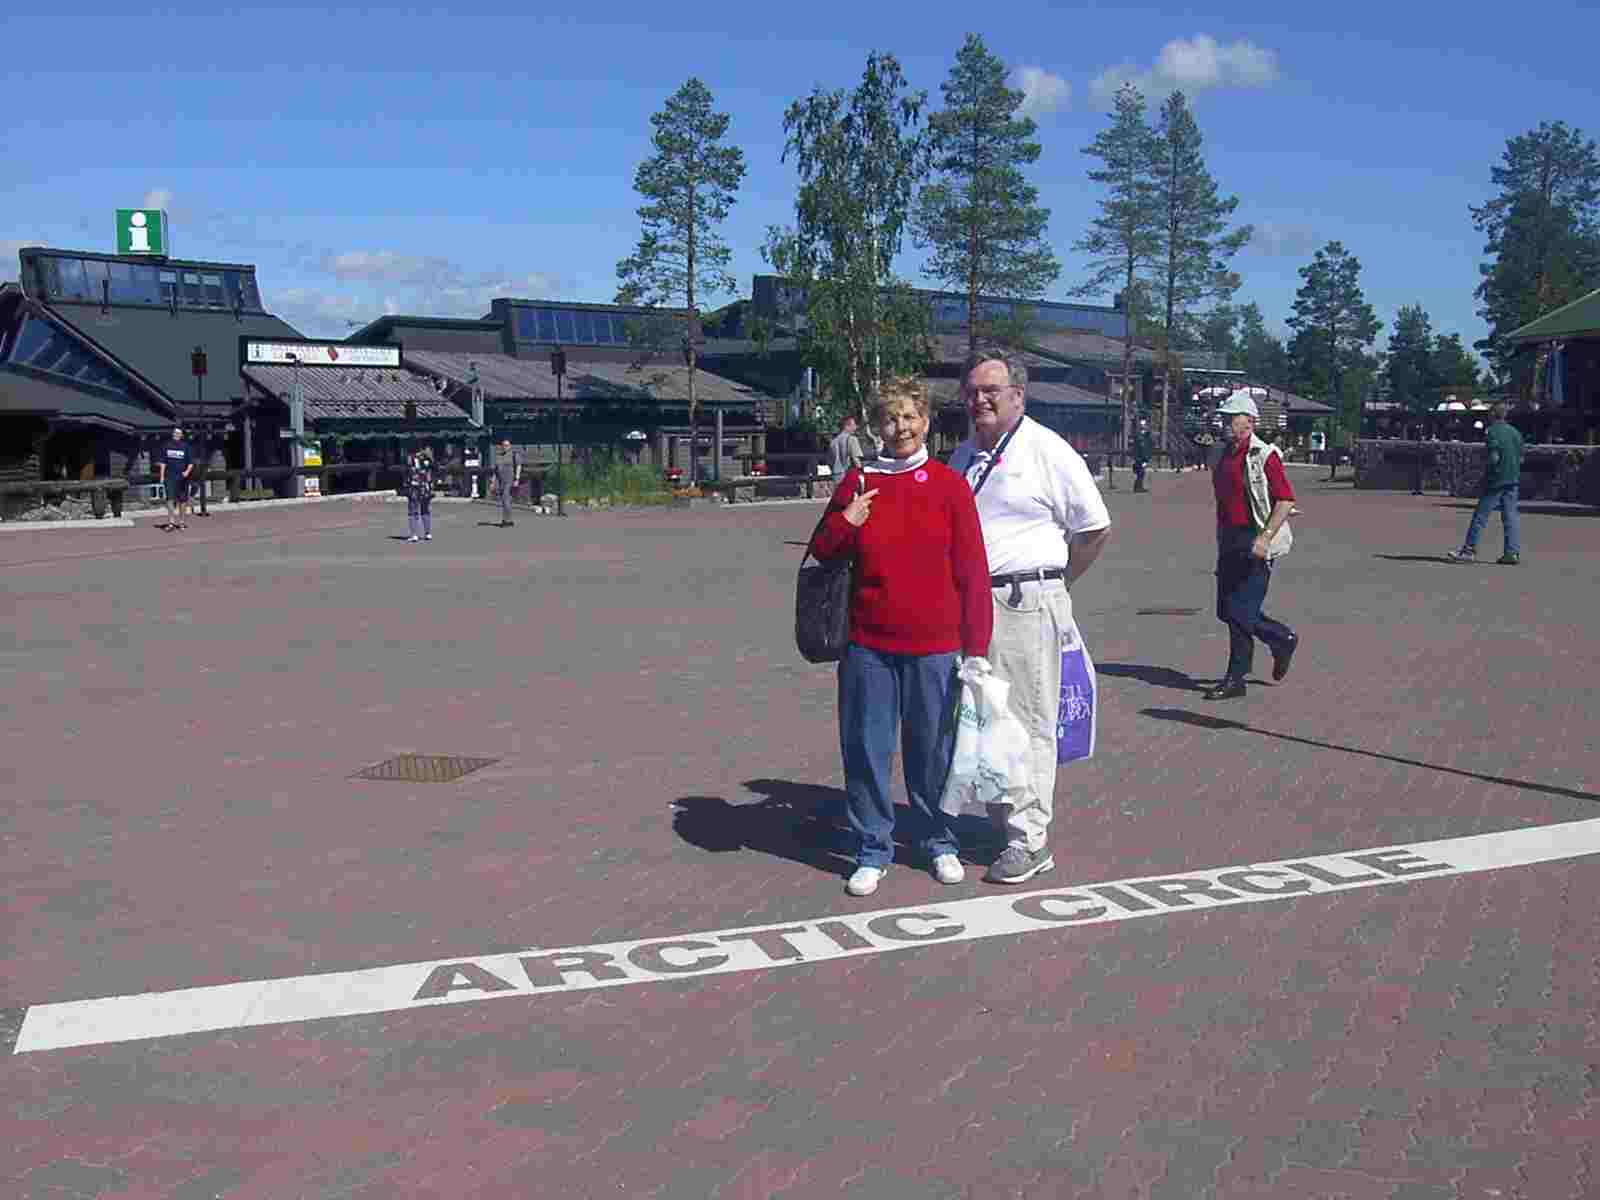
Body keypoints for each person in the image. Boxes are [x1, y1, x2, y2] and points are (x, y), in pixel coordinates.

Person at [809, 376, 992, 897]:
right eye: (891, 418)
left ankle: (939, 840)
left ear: (926, 422)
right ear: (877, 427)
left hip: (935, 646)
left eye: (910, 416)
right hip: (868, 645)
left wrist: (977, 647)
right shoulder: (859, 480)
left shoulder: (949, 486)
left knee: (932, 752)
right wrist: (848, 519)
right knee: (867, 750)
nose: (902, 427)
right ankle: (872, 848)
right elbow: (823, 549)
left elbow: (973, 571)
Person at [947, 354, 1112, 884]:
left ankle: (1029, 839)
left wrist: (1056, 585)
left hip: (1024, 602)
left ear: (1019, 395)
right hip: (972, 608)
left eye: (991, 390)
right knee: (985, 720)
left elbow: (1094, 528)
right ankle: (1004, 825)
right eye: (972, 391)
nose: (979, 400)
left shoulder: (1046, 449)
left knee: (1027, 722)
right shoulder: (963, 455)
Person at [1205, 391, 1298, 701]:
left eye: (1232, 417)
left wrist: (1265, 537)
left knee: (1240, 610)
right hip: (1228, 537)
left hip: (1254, 538)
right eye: (1224, 417)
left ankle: (1237, 677)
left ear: (1250, 421)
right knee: (1227, 610)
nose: (1225, 423)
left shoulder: (1264, 455)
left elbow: (1285, 499)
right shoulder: (1221, 453)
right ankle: (1281, 639)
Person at [1446, 402, 1523, 565]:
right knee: (1510, 517)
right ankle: (1512, 552)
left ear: (1492, 415)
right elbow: (1521, 458)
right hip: (1513, 479)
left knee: (1480, 516)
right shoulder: (1515, 432)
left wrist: (1483, 472)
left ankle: (1468, 550)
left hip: (1496, 480)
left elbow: (1494, 457)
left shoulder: (1492, 431)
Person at [157, 426, 192, 531]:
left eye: (178, 433)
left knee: (183, 500)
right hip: (169, 477)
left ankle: (181, 522)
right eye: (175, 433)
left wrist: (186, 472)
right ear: (172, 434)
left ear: (181, 435)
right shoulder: (166, 446)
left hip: (182, 478)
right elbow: (163, 462)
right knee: (170, 499)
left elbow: (191, 463)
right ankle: (171, 522)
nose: (176, 435)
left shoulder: (186, 446)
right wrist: (162, 476)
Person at [405, 448, 435, 543]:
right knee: (425, 510)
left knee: (413, 511)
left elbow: (408, 471)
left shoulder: (411, 458)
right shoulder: (429, 459)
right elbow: (434, 471)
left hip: (414, 487)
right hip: (426, 488)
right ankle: (427, 533)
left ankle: (414, 535)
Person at [493, 438, 521, 527]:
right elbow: (496, 470)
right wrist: (493, 482)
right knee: (505, 500)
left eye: (507, 445)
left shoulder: (514, 454)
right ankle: (509, 520)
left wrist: (517, 479)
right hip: (500, 481)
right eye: (503, 445)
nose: (505, 447)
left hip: (509, 480)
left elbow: (518, 466)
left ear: (510, 446)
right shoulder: (499, 456)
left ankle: (505, 520)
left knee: (505, 498)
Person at [827, 414, 864, 478]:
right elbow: (855, 459)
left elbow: (829, 461)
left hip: (836, 476)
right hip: (849, 475)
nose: (855, 427)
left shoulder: (833, 442)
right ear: (846, 426)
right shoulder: (852, 439)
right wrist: (861, 472)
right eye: (854, 425)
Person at [1132, 420, 1154, 493]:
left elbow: (1149, 446)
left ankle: (1138, 487)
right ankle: (1138, 487)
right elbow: (1140, 447)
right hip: (1140, 458)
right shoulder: (1139, 436)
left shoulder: (1146, 436)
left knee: (1141, 472)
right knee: (1140, 472)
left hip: (1143, 458)